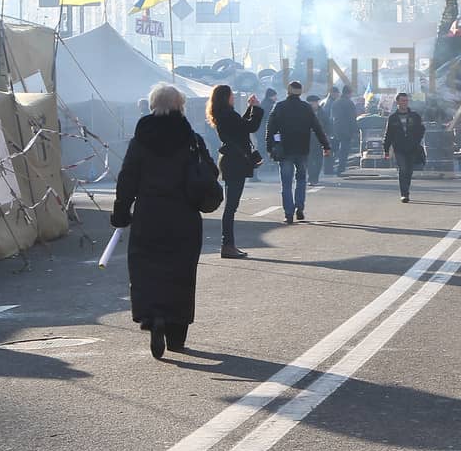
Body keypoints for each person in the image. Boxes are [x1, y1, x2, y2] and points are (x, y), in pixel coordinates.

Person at [112, 84, 214, 358]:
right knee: (181, 274)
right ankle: (176, 334)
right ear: (181, 106)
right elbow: (210, 172)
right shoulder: (191, 138)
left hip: (149, 216)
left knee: (146, 270)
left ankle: (152, 316)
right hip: (184, 217)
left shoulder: (140, 139)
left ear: (151, 105)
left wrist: (121, 211)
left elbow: (127, 178)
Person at [207, 84, 262, 260]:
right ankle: (227, 245)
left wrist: (250, 108)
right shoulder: (228, 115)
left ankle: (228, 244)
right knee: (231, 207)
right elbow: (250, 127)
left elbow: (241, 126)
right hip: (235, 163)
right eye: (231, 95)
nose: (233, 97)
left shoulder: (223, 114)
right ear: (226, 97)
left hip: (230, 161)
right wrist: (257, 109)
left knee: (231, 206)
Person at [265, 81, 332, 223]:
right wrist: (325, 145)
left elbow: (270, 128)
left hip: (284, 150)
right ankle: (300, 208)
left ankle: (288, 213)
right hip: (302, 149)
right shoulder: (306, 108)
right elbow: (317, 127)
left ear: (288, 91)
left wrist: (270, 147)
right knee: (301, 180)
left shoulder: (280, 106)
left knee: (286, 183)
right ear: (300, 93)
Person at [383, 92, 427, 202]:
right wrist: (386, 150)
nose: (405, 103)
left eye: (406, 100)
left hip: (412, 148)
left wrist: (416, 140)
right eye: (402, 100)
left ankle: (406, 189)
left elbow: (421, 129)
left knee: (409, 171)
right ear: (397, 102)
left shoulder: (415, 116)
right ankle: (404, 194)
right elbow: (388, 134)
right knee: (402, 169)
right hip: (399, 148)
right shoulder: (393, 118)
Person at [330, 85, 359, 175]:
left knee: (335, 150)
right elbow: (352, 118)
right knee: (344, 150)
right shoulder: (349, 103)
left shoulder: (335, 102)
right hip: (346, 130)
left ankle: (331, 168)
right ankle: (341, 169)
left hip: (336, 129)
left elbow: (332, 117)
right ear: (349, 93)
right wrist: (355, 131)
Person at [305, 95, 326, 185]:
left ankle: (315, 176)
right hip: (307, 139)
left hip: (319, 139)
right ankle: (311, 177)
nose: (315, 104)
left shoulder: (322, 112)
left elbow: (328, 124)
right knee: (309, 159)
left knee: (319, 160)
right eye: (314, 103)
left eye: (316, 102)